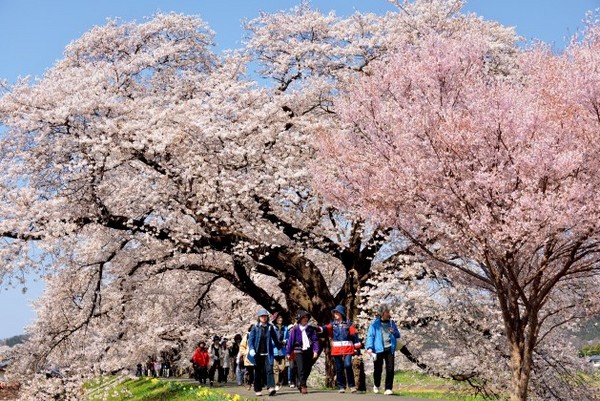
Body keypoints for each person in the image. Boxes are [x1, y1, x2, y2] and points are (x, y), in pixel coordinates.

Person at [322, 305, 361, 393]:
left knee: (347, 365)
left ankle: (352, 385)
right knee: (339, 368)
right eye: (334, 312)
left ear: (341, 313)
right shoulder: (333, 324)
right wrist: (319, 328)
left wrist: (357, 347)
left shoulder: (348, 323)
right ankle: (341, 386)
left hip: (348, 348)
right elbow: (326, 328)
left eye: (337, 312)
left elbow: (354, 335)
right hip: (337, 348)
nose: (335, 314)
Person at [365, 304, 401, 395]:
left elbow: (398, 335)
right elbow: (370, 336)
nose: (388, 313)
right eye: (386, 312)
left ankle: (388, 388)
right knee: (378, 369)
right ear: (382, 313)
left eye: (388, 312)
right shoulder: (375, 324)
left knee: (390, 368)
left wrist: (394, 331)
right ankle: (376, 385)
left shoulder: (392, 323)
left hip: (390, 348)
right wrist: (369, 347)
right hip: (378, 349)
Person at [247, 308, 282, 396]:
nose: (264, 318)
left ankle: (271, 388)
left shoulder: (270, 327)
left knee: (269, 370)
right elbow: (251, 340)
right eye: (262, 316)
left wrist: (279, 348)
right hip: (257, 353)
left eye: (265, 316)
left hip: (268, 353)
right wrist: (251, 349)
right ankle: (257, 389)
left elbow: (275, 338)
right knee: (258, 371)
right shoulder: (255, 327)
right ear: (259, 317)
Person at [286, 310, 320, 395]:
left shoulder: (311, 329)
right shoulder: (295, 329)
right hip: (298, 350)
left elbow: (315, 340)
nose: (305, 319)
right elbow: (291, 341)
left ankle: (300, 382)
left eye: (306, 317)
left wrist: (316, 351)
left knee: (308, 368)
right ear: (300, 319)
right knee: (300, 368)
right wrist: (288, 352)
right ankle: (303, 386)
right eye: (303, 317)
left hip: (308, 350)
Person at [271, 312, 289, 391]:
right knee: (275, 368)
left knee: (282, 368)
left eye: (281, 318)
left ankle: (280, 381)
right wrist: (275, 342)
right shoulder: (272, 328)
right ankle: (276, 383)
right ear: (275, 320)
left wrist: (285, 341)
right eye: (278, 318)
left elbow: (289, 338)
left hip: (282, 350)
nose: (280, 319)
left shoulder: (285, 328)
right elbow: (270, 339)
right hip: (274, 350)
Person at [239, 325, 255, 391]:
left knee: (256, 371)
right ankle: (249, 383)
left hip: (256, 357)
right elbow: (242, 346)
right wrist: (245, 352)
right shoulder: (247, 336)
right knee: (250, 371)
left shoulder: (258, 336)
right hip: (248, 357)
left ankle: (254, 383)